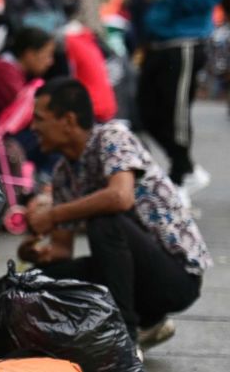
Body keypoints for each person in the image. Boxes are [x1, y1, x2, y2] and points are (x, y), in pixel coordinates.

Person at [20, 79, 209, 353]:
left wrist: (53, 214)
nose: (33, 128)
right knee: (37, 279)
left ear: (68, 120)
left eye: (40, 119)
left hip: (176, 277)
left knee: (106, 221)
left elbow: (120, 197)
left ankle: (126, 340)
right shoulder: (63, 174)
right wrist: (36, 254)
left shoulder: (112, 136)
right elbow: (62, 250)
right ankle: (150, 323)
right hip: (132, 277)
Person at [140, 0, 221, 194]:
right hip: (160, 41)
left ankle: (180, 177)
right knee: (146, 111)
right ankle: (186, 166)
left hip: (185, 43)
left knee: (176, 116)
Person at [0, 27, 55, 128]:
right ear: (30, 54)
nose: (50, 62)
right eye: (47, 54)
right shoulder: (3, 72)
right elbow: (26, 113)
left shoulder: (10, 69)